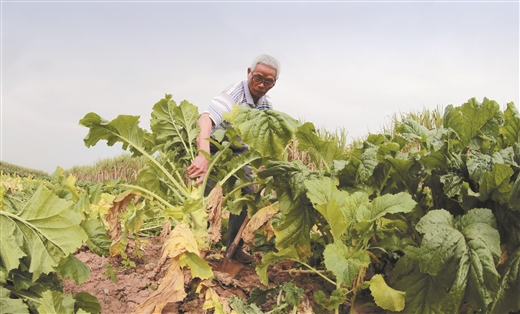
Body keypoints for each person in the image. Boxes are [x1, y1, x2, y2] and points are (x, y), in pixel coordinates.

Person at [186, 54, 280, 264]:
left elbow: (265, 137)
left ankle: (233, 248)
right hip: (213, 145)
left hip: (237, 153)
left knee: (247, 193)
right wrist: (203, 156)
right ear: (249, 73)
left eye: (268, 81)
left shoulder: (265, 104)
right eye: (257, 78)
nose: (261, 84)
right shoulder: (234, 94)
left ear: (274, 83)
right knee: (206, 197)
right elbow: (205, 119)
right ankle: (197, 247)